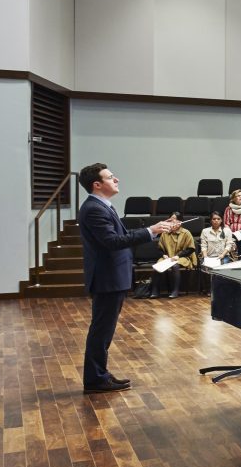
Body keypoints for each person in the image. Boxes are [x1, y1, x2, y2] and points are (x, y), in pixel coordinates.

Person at [76, 164, 179, 393]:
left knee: (104, 331)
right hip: (106, 278)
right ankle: (95, 380)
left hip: (112, 277)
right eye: (111, 177)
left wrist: (158, 229)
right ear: (97, 184)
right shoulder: (94, 209)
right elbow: (112, 242)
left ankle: (99, 374)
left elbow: (121, 238)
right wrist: (152, 231)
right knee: (101, 331)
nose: (117, 179)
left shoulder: (103, 206)